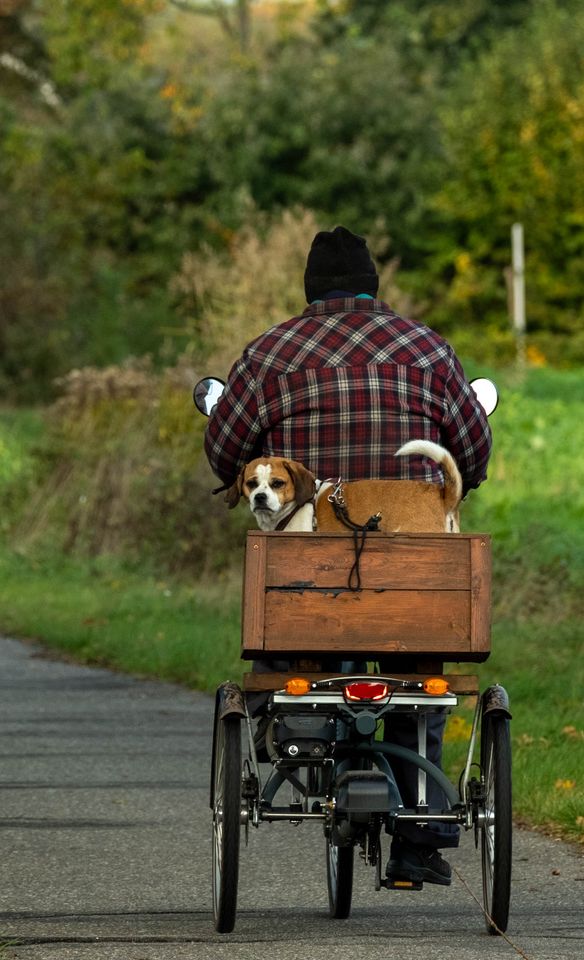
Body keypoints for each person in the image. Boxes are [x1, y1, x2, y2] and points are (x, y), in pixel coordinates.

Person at [203, 225, 493, 887]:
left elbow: (226, 456)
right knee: (416, 672)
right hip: (410, 569)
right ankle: (420, 831)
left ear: (309, 290)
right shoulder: (428, 348)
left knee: (301, 644)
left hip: (308, 575)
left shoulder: (266, 354)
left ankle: (300, 736)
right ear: (373, 287)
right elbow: (471, 457)